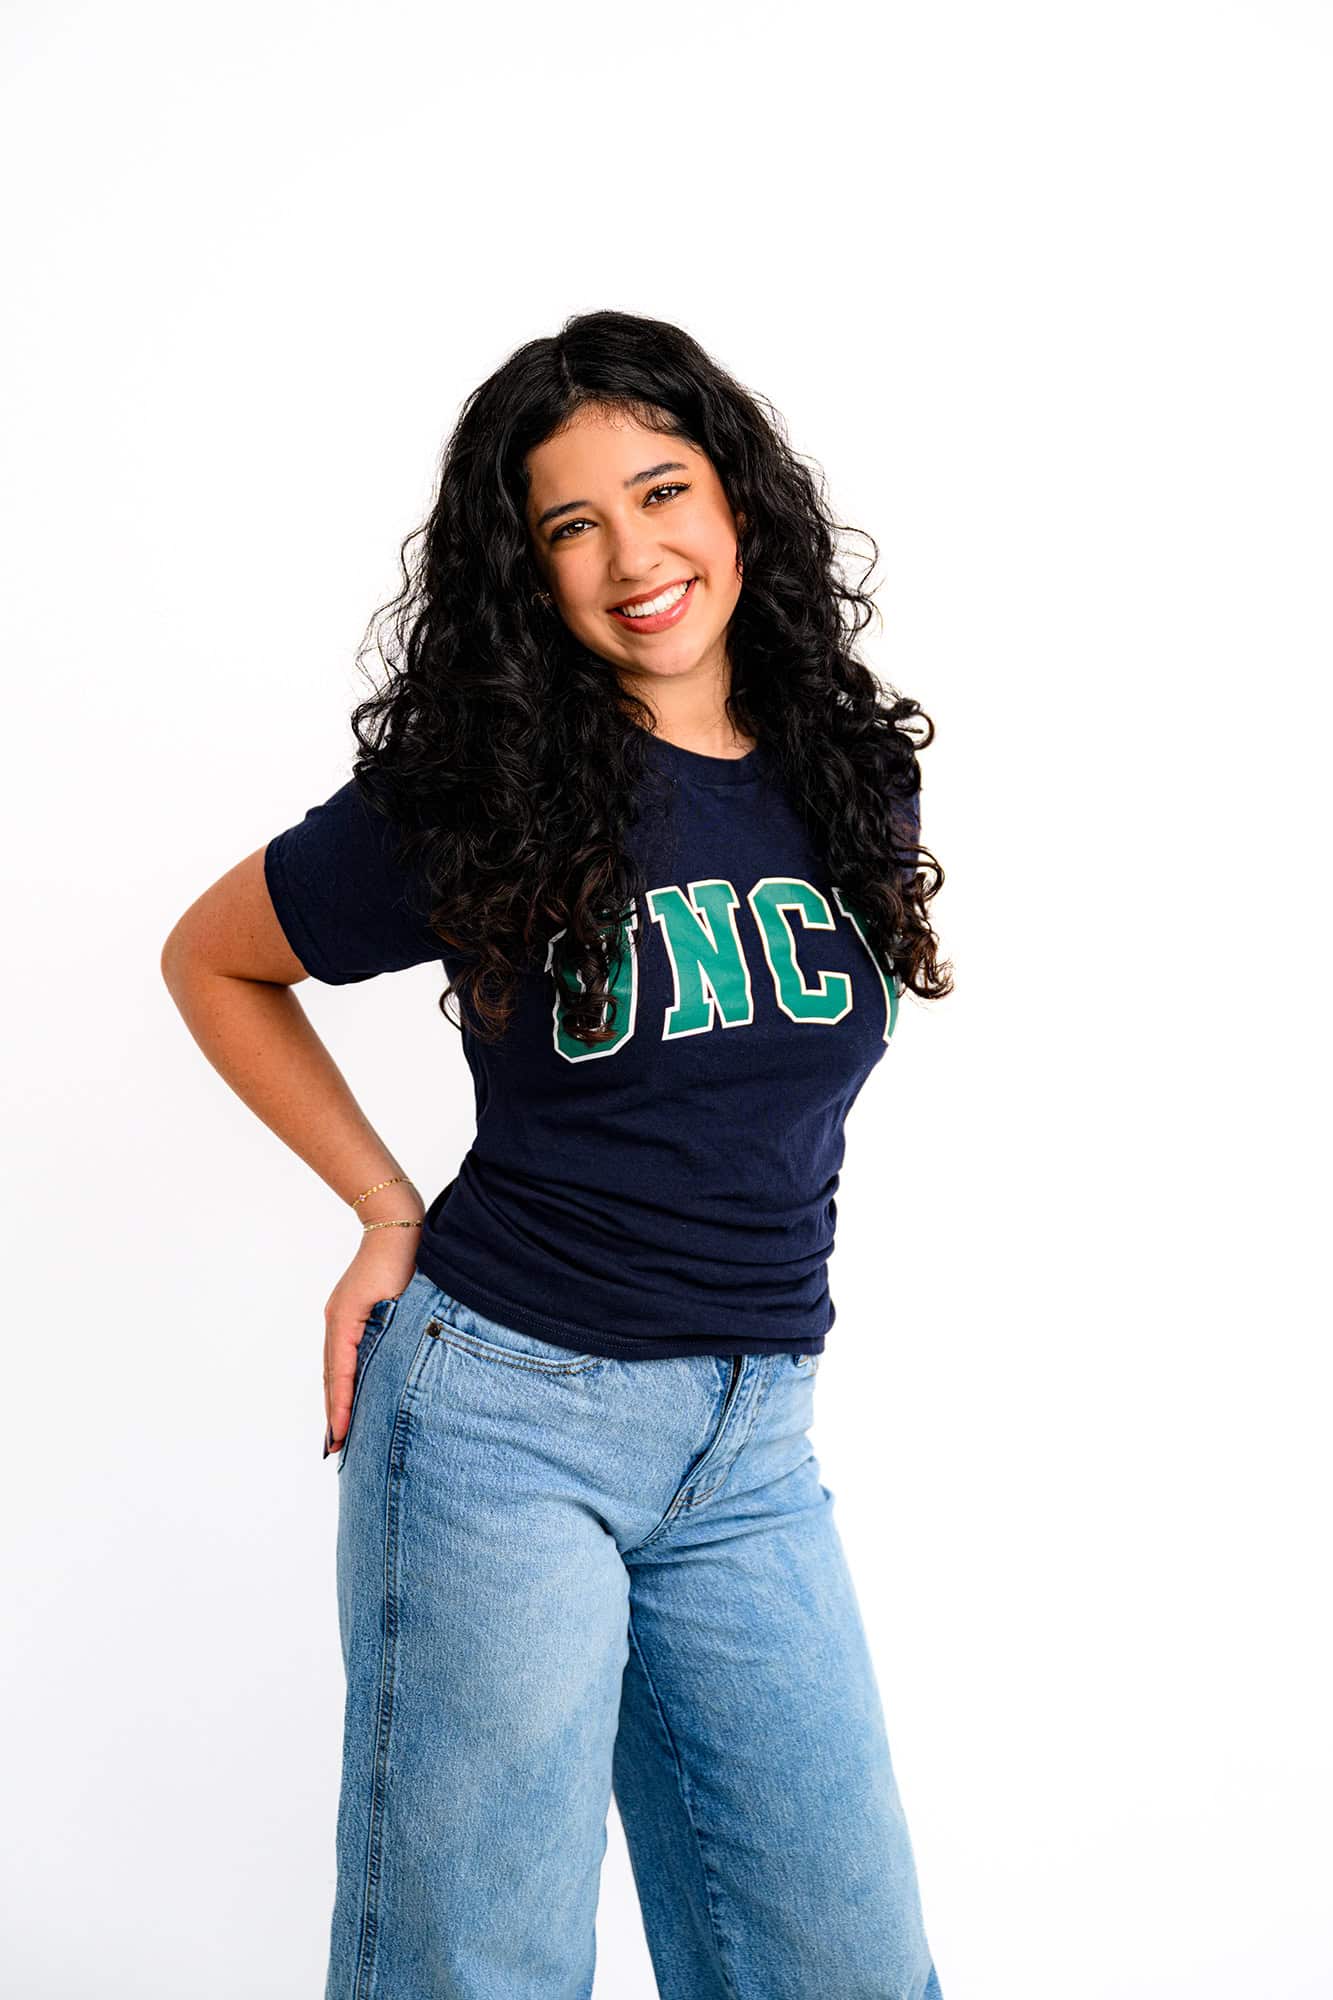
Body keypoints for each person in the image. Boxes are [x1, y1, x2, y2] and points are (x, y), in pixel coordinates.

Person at [161, 308, 952, 2000]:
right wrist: (384, 1209)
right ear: (527, 571)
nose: (632, 557)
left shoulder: (847, 776)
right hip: (503, 1422)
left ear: (736, 500)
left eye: (662, 493)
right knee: (481, 1965)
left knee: (843, 1962)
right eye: (570, 525)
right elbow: (212, 960)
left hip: (753, 1445)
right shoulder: (486, 788)